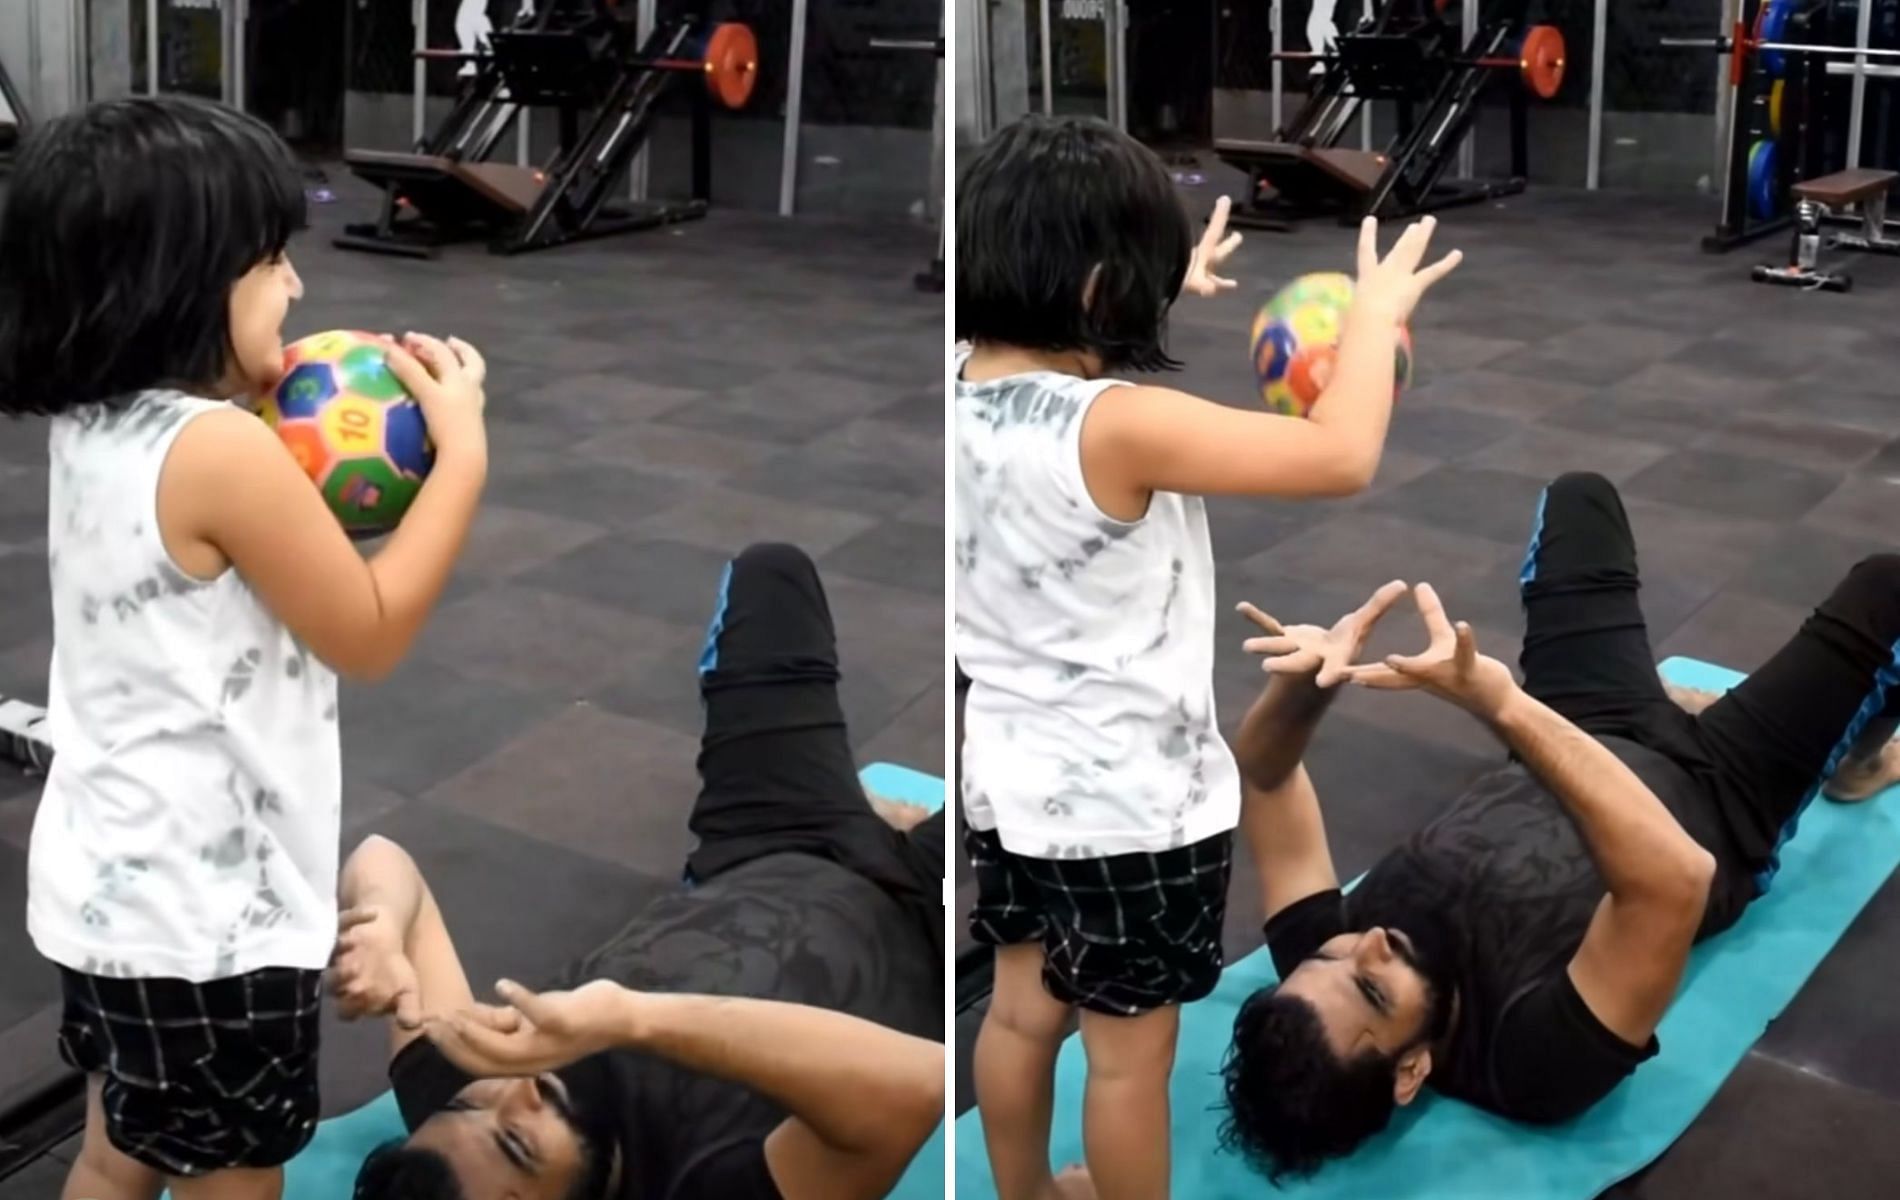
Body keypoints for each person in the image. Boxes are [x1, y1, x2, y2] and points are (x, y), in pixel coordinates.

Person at [953, 113, 1461, 1200]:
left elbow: (1055, 330)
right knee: (1129, 1060)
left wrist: (1163, 276)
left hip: (1006, 779)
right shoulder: (1118, 426)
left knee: (1017, 1014)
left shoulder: (955, 381)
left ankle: (1022, 1195)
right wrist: (1370, 321)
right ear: (1099, 297)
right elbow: (1339, 453)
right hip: (1135, 813)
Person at [0, 96, 489, 1200]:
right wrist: (459, 455)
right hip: (208, 929)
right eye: (271, 258)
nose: (298, 285)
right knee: (236, 1180)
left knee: (113, 1155)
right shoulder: (223, 451)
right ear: (178, 284)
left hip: (104, 895)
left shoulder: (100, 425)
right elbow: (367, 632)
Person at [1220, 470, 1900, 1181]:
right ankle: (1860, 763)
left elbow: (1266, 776)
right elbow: (1674, 881)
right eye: (1372, 990)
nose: (1367, 945)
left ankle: (1666, 703)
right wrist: (1503, 707)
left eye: (1328, 959)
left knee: (1580, 498)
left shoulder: (1319, 965)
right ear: (1410, 1071)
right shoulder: (1532, 1062)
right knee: (1888, 590)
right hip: (1723, 792)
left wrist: (1304, 687)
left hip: (1580, 725)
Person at [338, 542, 945, 1200]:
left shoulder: (470, 1095)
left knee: (772, 574)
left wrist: (378, 924)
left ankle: (873, 818)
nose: (516, 1092)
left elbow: (381, 857)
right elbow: (919, 1086)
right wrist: (633, 1020)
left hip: (763, 842)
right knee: (1066, 772)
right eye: (517, 1142)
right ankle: (898, 829)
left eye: (465, 1105)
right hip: (923, 923)